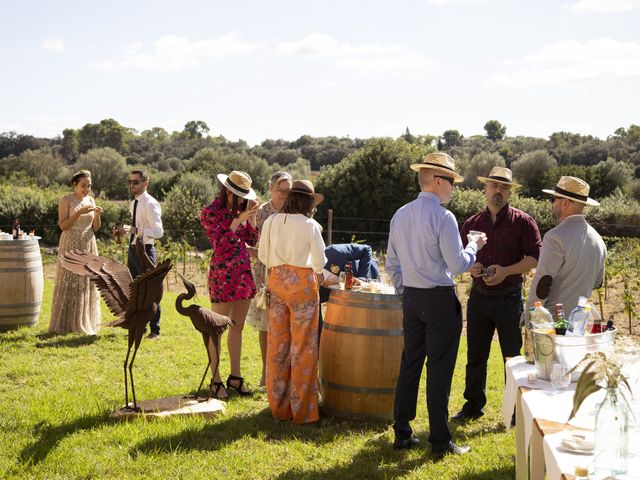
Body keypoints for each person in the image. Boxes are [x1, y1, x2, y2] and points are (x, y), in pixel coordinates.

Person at [385, 152, 485, 458]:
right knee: (439, 371)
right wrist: (474, 245)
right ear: (439, 181)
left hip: (413, 298)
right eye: (452, 181)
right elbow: (456, 264)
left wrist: (407, 293)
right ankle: (440, 441)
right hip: (439, 299)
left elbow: (391, 263)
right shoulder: (443, 217)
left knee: (410, 363)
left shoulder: (400, 214)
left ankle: (402, 432)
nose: (453, 188)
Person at [454, 166, 542, 422]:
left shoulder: (523, 222)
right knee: (475, 355)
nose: (498, 191)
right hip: (479, 297)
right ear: (485, 189)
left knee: (512, 358)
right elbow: (459, 258)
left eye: (504, 187)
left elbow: (535, 258)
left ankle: (515, 410)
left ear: (510, 192)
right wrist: (472, 267)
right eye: (494, 186)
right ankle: (472, 406)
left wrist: (506, 271)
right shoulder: (472, 223)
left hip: (509, 298)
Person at [258, 179, 326, 424]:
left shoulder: (271, 221)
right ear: (308, 202)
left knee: (277, 346)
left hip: (276, 282)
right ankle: (303, 411)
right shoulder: (311, 226)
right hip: (303, 285)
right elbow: (319, 263)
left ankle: (279, 406)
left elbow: (263, 256)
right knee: (304, 347)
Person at [201, 170, 259, 399]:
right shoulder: (210, 212)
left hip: (243, 274)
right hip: (223, 274)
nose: (242, 199)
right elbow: (220, 244)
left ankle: (235, 377)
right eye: (238, 195)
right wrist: (237, 221)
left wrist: (252, 218)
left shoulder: (242, 210)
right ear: (227, 190)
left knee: (238, 327)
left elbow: (252, 242)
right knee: (218, 329)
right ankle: (215, 379)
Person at [526, 176, 606, 315]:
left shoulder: (555, 237)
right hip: (582, 320)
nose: (552, 204)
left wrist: (530, 316)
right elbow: (598, 282)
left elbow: (542, 285)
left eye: (553, 199)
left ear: (565, 203)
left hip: (554, 322)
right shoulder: (598, 240)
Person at [247, 171, 293, 388]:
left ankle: (284, 371)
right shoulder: (261, 212)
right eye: (280, 189)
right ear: (271, 188)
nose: (284, 194)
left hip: (287, 273)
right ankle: (266, 371)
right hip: (264, 273)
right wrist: (254, 252)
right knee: (265, 323)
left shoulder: (294, 212)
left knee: (285, 322)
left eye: (288, 190)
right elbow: (253, 240)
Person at [49, 170, 103, 335]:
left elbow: (96, 227)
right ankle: (66, 323)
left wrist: (97, 215)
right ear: (75, 185)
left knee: (86, 282)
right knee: (71, 279)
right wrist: (80, 212)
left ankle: (85, 321)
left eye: (89, 186)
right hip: (70, 243)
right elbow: (63, 225)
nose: (86, 189)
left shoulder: (91, 200)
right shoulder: (66, 200)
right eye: (83, 185)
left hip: (88, 243)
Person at [126, 169, 164, 339]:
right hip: (133, 249)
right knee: (135, 290)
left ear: (145, 183)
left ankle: (154, 329)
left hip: (146, 251)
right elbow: (135, 229)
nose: (132, 185)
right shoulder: (133, 203)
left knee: (151, 290)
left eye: (135, 182)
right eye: (130, 182)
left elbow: (158, 231)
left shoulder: (150, 203)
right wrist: (125, 232)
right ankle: (138, 326)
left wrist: (136, 230)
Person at [318, 243, 379, 335]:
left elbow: (366, 249)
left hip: (369, 280)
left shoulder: (333, 252)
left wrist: (362, 279)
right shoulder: (312, 288)